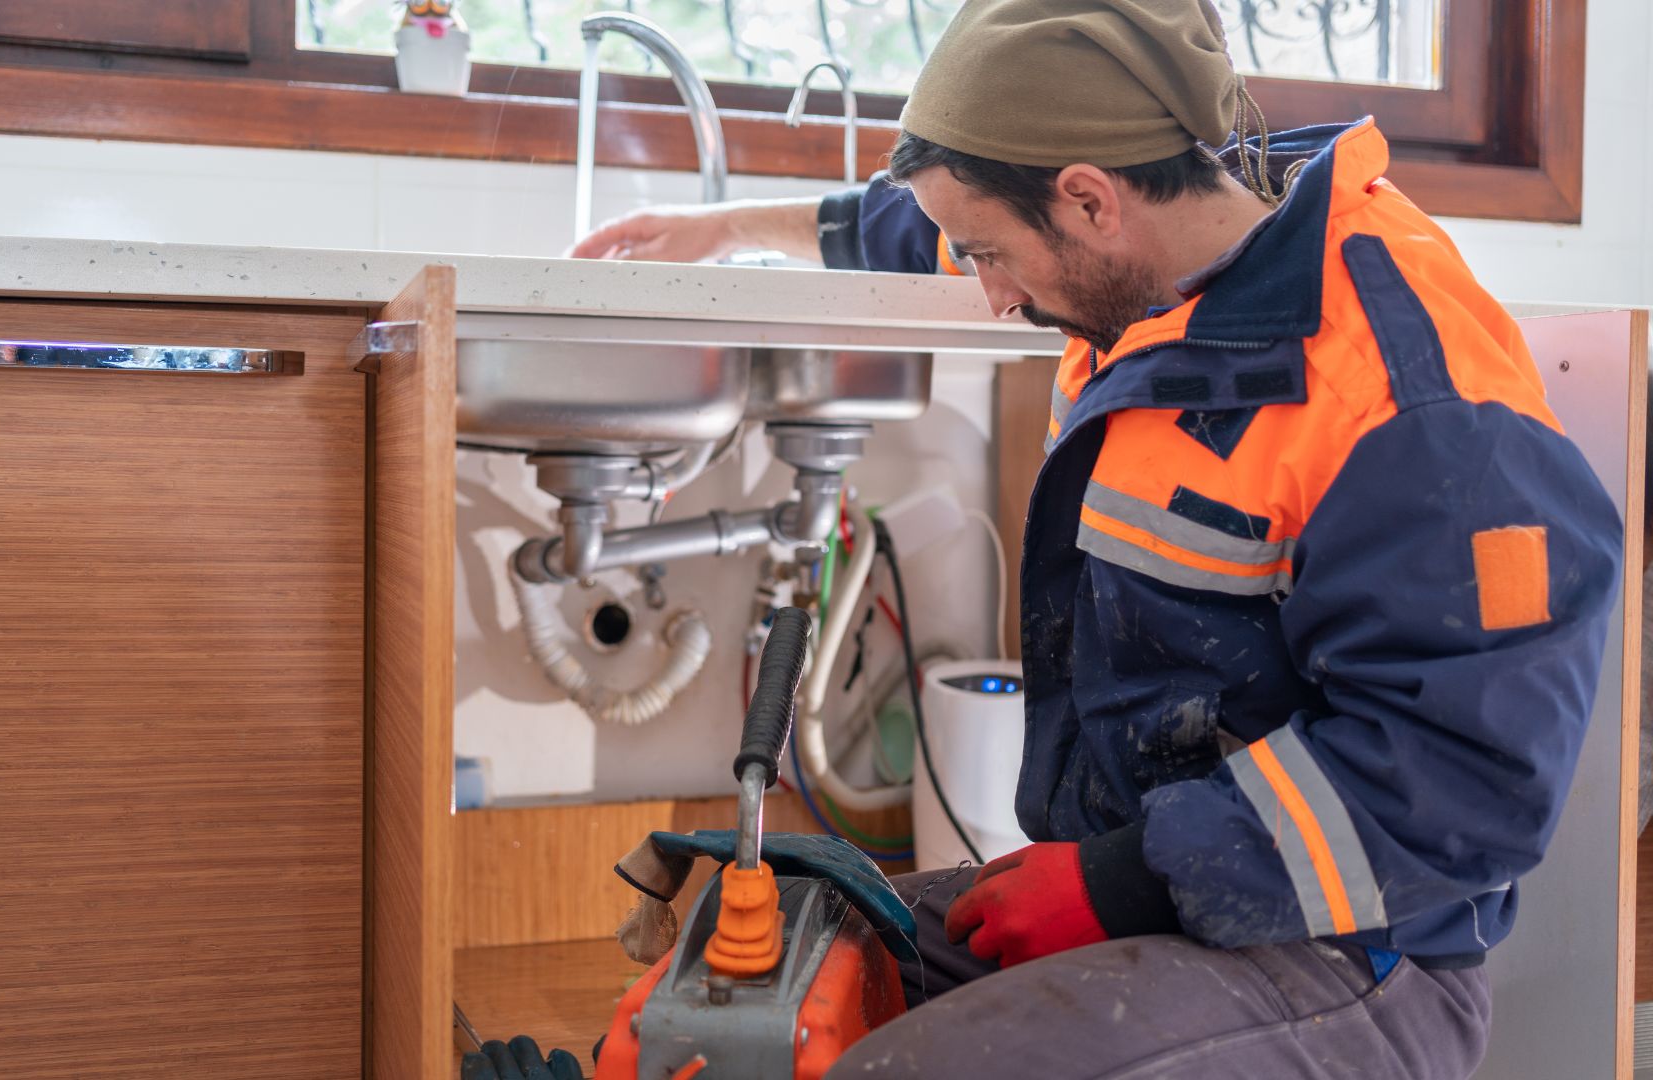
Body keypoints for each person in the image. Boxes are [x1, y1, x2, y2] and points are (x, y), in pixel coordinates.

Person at [569, 1, 1623, 1077]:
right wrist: (728, 228)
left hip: (1355, 959)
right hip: (1171, 895)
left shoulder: (1409, 403)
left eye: (989, 256)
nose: (986, 295)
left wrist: (1112, 885)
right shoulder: (1160, 243)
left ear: (1088, 198)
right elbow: (933, 223)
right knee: (759, 977)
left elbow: (1467, 781)